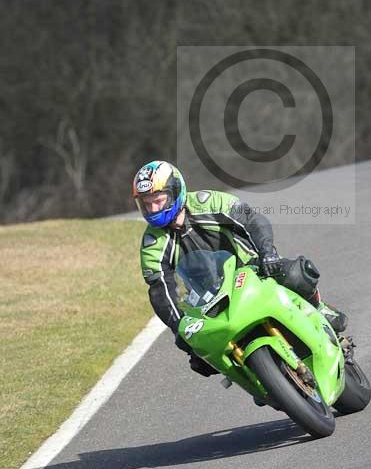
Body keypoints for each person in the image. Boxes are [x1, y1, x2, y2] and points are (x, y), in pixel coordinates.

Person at [132, 160, 348, 376]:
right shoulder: (153, 244)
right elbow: (160, 290)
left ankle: (319, 309)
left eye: (158, 201)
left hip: (252, 270)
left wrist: (267, 253)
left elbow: (253, 220)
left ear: (175, 191)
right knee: (200, 358)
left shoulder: (208, 202)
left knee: (296, 274)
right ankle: (259, 379)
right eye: (146, 204)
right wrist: (179, 327)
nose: (153, 209)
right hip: (209, 300)